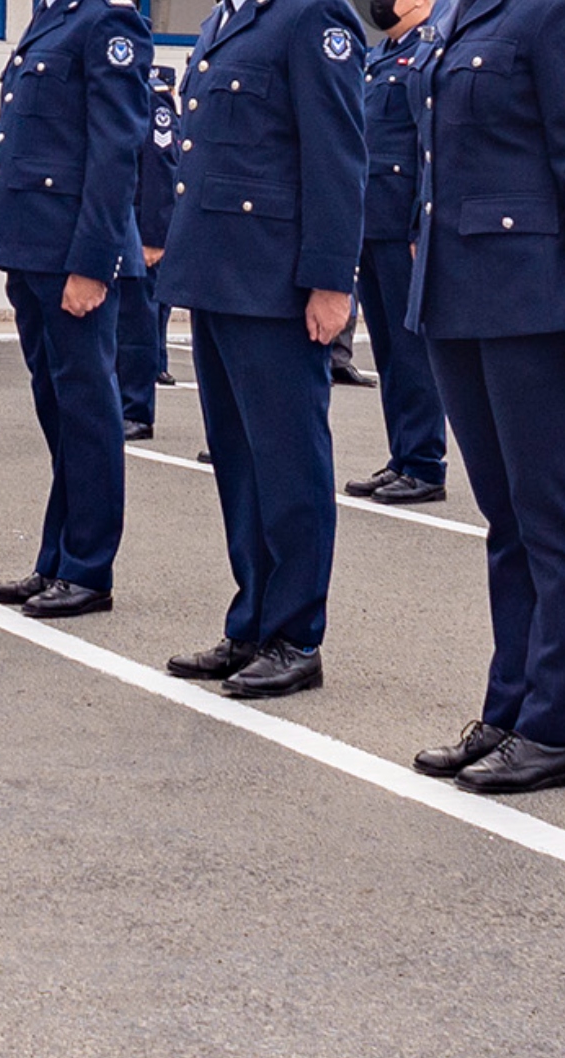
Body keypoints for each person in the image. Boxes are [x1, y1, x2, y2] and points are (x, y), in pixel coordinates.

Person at [407, 0, 565, 795]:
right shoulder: (461, 16)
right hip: (460, 292)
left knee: (555, 518)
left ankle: (554, 727)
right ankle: (511, 706)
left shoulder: (560, 12)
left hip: (533, 298)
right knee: (507, 519)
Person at [158, 0, 365, 698]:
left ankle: (297, 635)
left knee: (290, 465)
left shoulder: (312, 17)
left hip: (274, 279)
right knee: (240, 465)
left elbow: (337, 155)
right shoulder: (226, 21)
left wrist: (332, 282)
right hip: (218, 273)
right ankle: (251, 622)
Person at [0, 0, 153, 619]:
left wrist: (93, 263)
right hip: (34, 247)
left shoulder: (108, 22)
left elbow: (115, 151)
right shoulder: (53, 18)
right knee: (59, 409)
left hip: (73, 251)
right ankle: (57, 556)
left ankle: (89, 568)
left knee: (87, 411)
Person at [340, 0, 449, 506]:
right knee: (386, 349)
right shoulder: (377, 57)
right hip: (371, 218)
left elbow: (430, 147)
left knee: (411, 351)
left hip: (402, 223)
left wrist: (418, 224)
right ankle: (402, 456)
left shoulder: (429, 52)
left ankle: (426, 463)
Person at [117, 63, 179, 443]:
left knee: (138, 323)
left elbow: (161, 165)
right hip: (114, 218)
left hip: (141, 225)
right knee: (114, 323)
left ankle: (136, 410)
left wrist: (155, 235)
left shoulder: (152, 95)